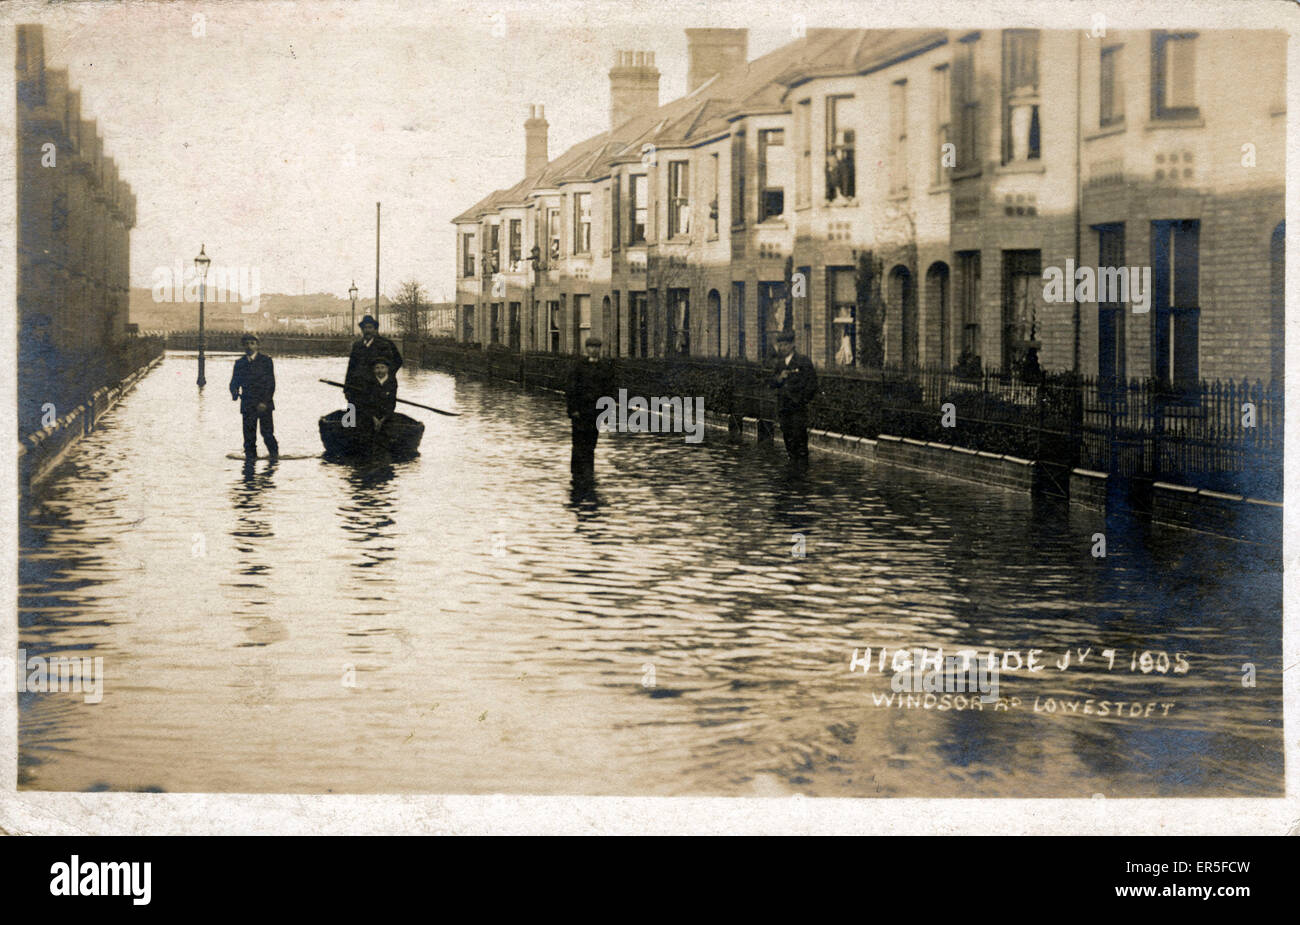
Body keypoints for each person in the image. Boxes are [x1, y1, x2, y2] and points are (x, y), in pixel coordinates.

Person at [565, 337, 615, 485]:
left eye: (597, 347)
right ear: (586, 349)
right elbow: (571, 389)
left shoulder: (605, 368)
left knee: (591, 443)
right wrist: (573, 409)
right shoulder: (578, 367)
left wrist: (606, 413)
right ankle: (576, 473)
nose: (594, 350)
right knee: (578, 442)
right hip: (580, 412)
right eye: (591, 347)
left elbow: (609, 391)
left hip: (596, 412)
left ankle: (588, 473)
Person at [768, 330, 818, 466]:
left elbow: (812, 384)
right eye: (780, 345)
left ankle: (802, 472)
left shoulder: (803, 361)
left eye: (784, 345)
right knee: (788, 438)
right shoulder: (779, 363)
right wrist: (779, 378)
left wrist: (802, 400)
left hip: (797, 409)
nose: (782, 348)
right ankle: (792, 470)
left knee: (799, 439)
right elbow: (771, 383)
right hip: (784, 408)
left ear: (792, 345)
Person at [229, 333, 279, 460]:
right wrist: (234, 392)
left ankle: (274, 458)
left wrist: (264, 402)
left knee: (267, 433)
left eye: (252, 343)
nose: (249, 346)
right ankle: (250, 463)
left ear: (257, 345)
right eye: (246, 343)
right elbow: (234, 382)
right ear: (243, 346)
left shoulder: (266, 361)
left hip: (264, 404)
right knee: (249, 436)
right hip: (247, 404)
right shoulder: (239, 363)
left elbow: (270, 384)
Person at [344, 314, 403, 408]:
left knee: (377, 413)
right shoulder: (357, 345)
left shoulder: (385, 344)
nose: (367, 330)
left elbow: (398, 361)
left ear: (375, 329)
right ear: (362, 330)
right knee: (356, 414)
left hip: (376, 388)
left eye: (370, 327)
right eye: (365, 328)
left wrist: (385, 377)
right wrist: (347, 388)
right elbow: (351, 367)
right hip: (357, 387)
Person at [355, 357, 399, 447]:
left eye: (382, 367)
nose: (380, 370)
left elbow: (392, 402)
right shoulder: (369, 381)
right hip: (370, 413)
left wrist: (383, 419)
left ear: (387, 369)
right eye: (377, 368)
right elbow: (366, 402)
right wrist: (374, 418)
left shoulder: (392, 381)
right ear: (373, 370)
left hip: (385, 414)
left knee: (390, 430)